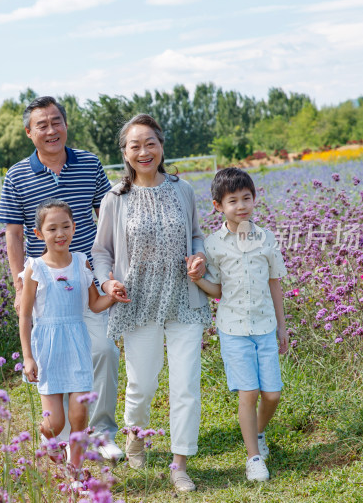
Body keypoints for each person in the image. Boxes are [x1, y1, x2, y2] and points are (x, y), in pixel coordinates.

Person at [0, 96, 123, 460]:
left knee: (103, 351)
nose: (51, 130)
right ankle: (60, 437)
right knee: (53, 359)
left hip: (87, 277)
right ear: (28, 132)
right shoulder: (16, 175)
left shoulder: (89, 163)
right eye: (42, 124)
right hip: (47, 285)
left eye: (57, 121)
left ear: (66, 125)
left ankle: (101, 432)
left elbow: (107, 215)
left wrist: (109, 270)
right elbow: (14, 235)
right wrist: (21, 285)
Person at [91, 113, 209, 493]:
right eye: (134, 145)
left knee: (186, 383)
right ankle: (136, 433)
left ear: (161, 146)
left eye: (150, 143)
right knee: (142, 383)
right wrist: (108, 281)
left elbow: (196, 236)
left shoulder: (182, 189)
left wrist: (198, 258)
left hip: (183, 300)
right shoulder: (115, 198)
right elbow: (101, 251)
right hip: (137, 301)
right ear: (124, 153)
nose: (144, 151)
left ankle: (179, 463)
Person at [189, 167, 289, 482]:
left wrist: (282, 327)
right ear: (218, 206)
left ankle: (257, 433)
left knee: (271, 394)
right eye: (233, 200)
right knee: (249, 391)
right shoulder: (214, 244)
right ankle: (253, 458)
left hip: (265, 327)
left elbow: (275, 283)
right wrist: (198, 280)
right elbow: (218, 290)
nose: (242, 205)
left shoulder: (266, 238)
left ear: (255, 199)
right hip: (233, 329)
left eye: (247, 198)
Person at [19, 199, 125, 487]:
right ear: (39, 234)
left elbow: (94, 303)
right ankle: (45, 438)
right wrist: (28, 357)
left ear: (75, 228)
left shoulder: (81, 261)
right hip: (48, 348)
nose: (60, 233)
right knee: (55, 422)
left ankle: (75, 472)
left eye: (66, 226)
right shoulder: (35, 268)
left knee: (78, 417)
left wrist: (112, 296)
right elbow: (25, 315)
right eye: (52, 228)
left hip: (78, 343)